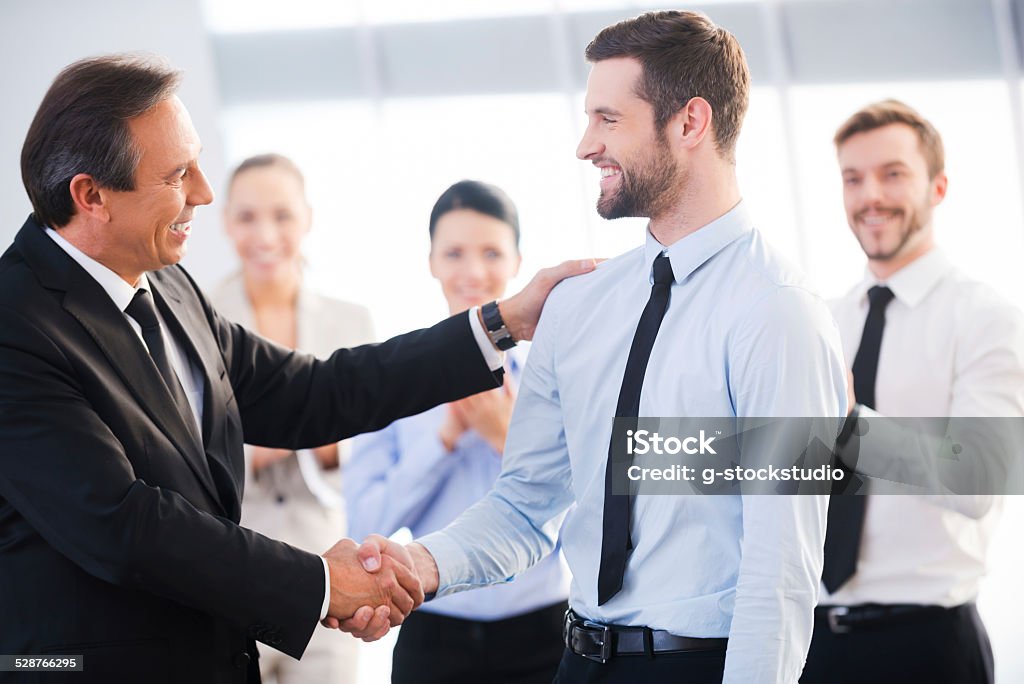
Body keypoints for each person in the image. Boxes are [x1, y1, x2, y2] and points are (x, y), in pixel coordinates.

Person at [0, 53, 593, 683]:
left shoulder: (169, 287)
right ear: (91, 195)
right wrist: (320, 583)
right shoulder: (15, 327)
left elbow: (314, 390)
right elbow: (124, 523)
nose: (203, 192)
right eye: (178, 175)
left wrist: (500, 323)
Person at [356, 10, 847, 684]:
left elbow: (782, 569)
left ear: (691, 123)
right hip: (576, 663)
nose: (586, 145)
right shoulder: (578, 306)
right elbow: (526, 506)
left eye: (608, 119)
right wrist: (422, 564)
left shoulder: (781, 313)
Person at [799, 100, 1024, 684]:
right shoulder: (821, 322)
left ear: (939, 187)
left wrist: (852, 428)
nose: (870, 195)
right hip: (812, 642)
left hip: (926, 646)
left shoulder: (986, 319)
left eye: (892, 174)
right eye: (853, 178)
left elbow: (981, 475)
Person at [345, 180, 570, 684]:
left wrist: (504, 433)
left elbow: (594, 513)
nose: (472, 272)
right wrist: (442, 440)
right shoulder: (393, 379)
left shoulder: (556, 375)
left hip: (546, 632)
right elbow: (366, 519)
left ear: (517, 261)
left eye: (491, 252)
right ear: (431, 262)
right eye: (454, 253)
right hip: (434, 632)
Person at [213, 153, 373, 684]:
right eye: (247, 217)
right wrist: (262, 445)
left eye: (281, 215)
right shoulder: (196, 317)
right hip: (233, 570)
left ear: (307, 218)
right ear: (225, 222)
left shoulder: (352, 319)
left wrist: (300, 439)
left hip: (330, 567)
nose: (265, 234)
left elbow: (374, 440)